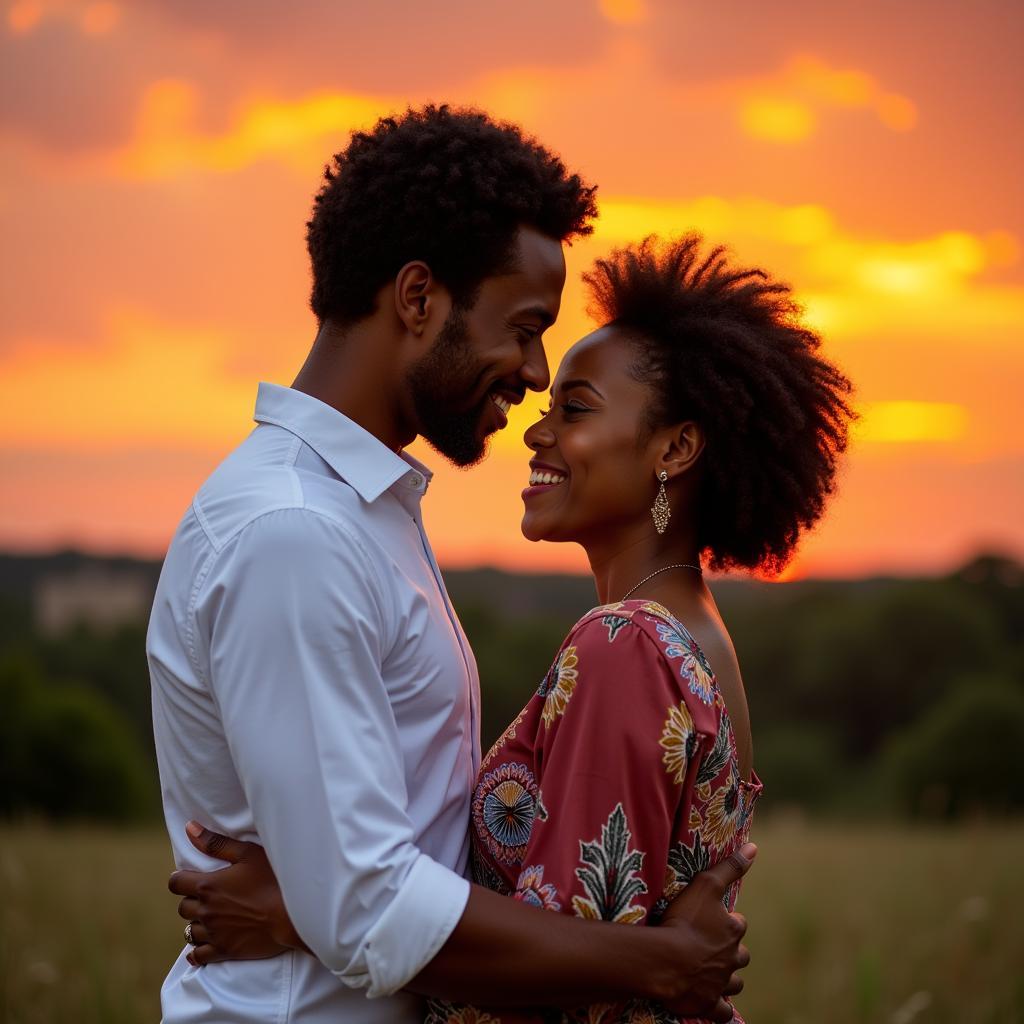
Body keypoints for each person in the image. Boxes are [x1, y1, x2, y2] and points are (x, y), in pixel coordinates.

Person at [149, 105, 753, 1024]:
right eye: (523, 327)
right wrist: (662, 964)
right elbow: (367, 908)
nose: (534, 372)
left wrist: (306, 910)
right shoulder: (296, 532)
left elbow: (370, 890)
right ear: (419, 298)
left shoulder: (364, 516)